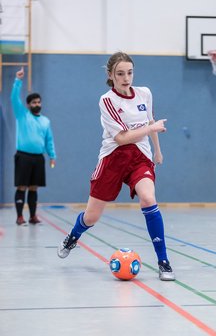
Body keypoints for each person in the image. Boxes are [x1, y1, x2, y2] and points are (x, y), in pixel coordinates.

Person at [57, 52, 175, 281]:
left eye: (129, 72)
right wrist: (151, 130)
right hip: (113, 157)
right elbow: (122, 138)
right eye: (120, 73)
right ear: (111, 75)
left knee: (149, 199)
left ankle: (163, 261)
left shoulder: (145, 93)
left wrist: (157, 150)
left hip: (140, 157)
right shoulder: (107, 100)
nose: (126, 78)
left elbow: (151, 122)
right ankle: (73, 236)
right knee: (91, 217)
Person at [11, 67, 56, 225]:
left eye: (39, 102)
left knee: (34, 188)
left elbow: (49, 140)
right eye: (34, 102)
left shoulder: (45, 121)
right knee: (22, 186)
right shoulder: (22, 115)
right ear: (29, 105)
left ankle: (32, 216)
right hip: (23, 156)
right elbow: (14, 99)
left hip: (38, 158)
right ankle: (19, 217)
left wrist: (52, 156)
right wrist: (18, 80)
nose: (37, 104)